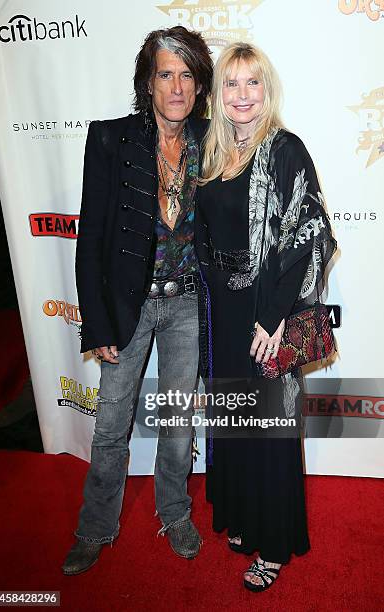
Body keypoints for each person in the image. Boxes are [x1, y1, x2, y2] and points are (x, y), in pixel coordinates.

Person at [62, 26, 213, 575]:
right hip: (128, 307)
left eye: (187, 75)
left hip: (188, 307)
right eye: (165, 74)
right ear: (148, 83)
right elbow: (91, 241)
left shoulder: (212, 140)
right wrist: (96, 325)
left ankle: (174, 513)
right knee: (110, 425)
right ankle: (95, 526)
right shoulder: (110, 139)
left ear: (200, 85)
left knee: (178, 422)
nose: (177, 86)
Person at [195, 42, 336, 591]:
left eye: (253, 83)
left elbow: (311, 234)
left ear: (266, 90)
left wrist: (275, 317)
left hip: (265, 310)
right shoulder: (211, 154)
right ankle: (244, 515)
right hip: (222, 310)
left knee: (271, 426)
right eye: (232, 84)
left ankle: (274, 541)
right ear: (219, 93)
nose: (242, 95)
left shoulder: (284, 150)